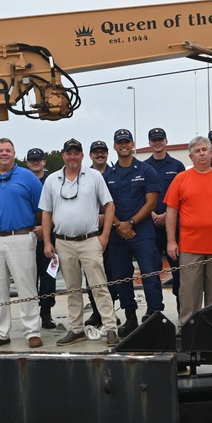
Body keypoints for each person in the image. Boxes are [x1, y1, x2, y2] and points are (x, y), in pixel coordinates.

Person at [40, 139, 119, 347]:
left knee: (99, 285)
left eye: (76, 153)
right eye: (69, 153)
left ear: (82, 156)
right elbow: (46, 213)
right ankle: (76, 329)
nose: (72, 157)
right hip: (63, 242)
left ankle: (110, 327)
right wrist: (48, 242)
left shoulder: (94, 176)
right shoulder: (52, 180)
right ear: (63, 155)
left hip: (90, 239)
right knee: (72, 288)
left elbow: (109, 206)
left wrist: (105, 236)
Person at [165, 136, 212, 325]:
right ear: (190, 156)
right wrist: (171, 241)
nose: (202, 154)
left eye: (204, 150)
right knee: (189, 291)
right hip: (190, 247)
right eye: (197, 151)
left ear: (211, 153)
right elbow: (171, 212)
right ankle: (188, 327)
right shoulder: (180, 179)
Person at [0, 138, 44, 350]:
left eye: (8, 150)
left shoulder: (28, 177)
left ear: (14, 154)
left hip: (21, 237)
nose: (4, 153)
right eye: (0, 150)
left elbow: (41, 209)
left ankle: (32, 331)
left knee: (26, 285)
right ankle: (0, 332)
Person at [105, 129, 164, 337]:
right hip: (117, 233)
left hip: (142, 231)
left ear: (133, 144)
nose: (123, 145)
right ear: (114, 146)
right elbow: (104, 205)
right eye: (119, 142)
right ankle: (130, 317)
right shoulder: (107, 175)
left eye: (126, 142)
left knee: (150, 274)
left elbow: (151, 202)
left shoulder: (147, 171)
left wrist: (130, 223)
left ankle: (154, 314)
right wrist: (120, 225)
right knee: (121, 277)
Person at [142, 127, 187, 303]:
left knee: (179, 270)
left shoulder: (177, 166)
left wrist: (167, 214)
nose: (157, 143)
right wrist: (152, 213)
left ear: (166, 141)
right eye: (154, 140)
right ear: (149, 144)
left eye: (160, 139)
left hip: (174, 227)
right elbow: (142, 195)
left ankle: (182, 309)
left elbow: (183, 195)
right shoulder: (144, 167)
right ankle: (154, 309)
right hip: (150, 226)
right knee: (151, 270)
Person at [84, 139, 117, 327]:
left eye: (102, 151)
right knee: (91, 274)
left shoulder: (116, 173)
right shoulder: (84, 175)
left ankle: (111, 311)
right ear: (90, 155)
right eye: (96, 152)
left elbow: (117, 201)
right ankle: (97, 312)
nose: (99, 154)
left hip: (114, 232)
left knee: (113, 273)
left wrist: (109, 218)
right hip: (91, 232)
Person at [26, 147, 57, 330]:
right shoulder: (23, 180)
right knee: (28, 276)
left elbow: (58, 207)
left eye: (39, 159)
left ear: (44, 161)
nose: (35, 162)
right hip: (27, 234)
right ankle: (29, 313)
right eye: (32, 160)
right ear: (28, 162)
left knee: (48, 276)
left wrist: (45, 227)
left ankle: (46, 313)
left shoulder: (52, 181)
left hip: (49, 235)